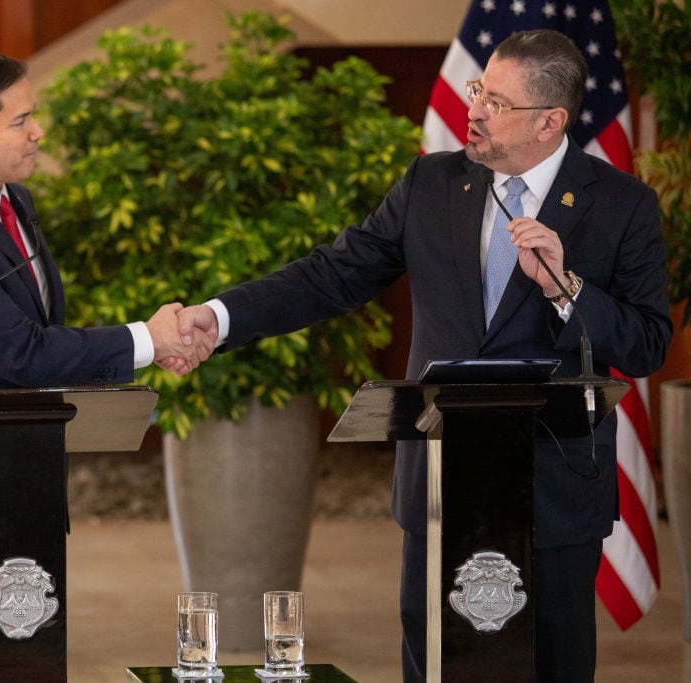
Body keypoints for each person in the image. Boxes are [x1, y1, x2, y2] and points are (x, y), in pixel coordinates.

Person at [174, 29, 672, 682]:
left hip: (554, 496)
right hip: (439, 487)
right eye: (478, 90)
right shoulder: (431, 184)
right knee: (433, 662)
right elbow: (331, 276)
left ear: (550, 122)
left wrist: (566, 288)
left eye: (497, 102)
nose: (475, 109)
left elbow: (646, 342)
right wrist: (219, 316)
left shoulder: (622, 205)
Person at [0, 51, 210, 682]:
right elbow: (19, 352)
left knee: (20, 664)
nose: (38, 132)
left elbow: (40, 334)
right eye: (20, 121)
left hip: (15, 479)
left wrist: (149, 344)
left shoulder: (14, 202)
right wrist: (147, 339)